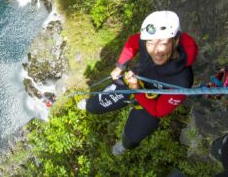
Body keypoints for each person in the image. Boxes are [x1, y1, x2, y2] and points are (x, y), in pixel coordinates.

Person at [77, 10, 198, 155]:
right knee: (96, 106)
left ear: (176, 40)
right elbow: (131, 43)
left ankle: (124, 145)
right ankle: (89, 104)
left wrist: (135, 89)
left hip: (150, 103)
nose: (156, 51)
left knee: (133, 135)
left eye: (164, 43)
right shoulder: (147, 38)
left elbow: (158, 110)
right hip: (135, 81)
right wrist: (120, 66)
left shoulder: (181, 80)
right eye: (150, 43)